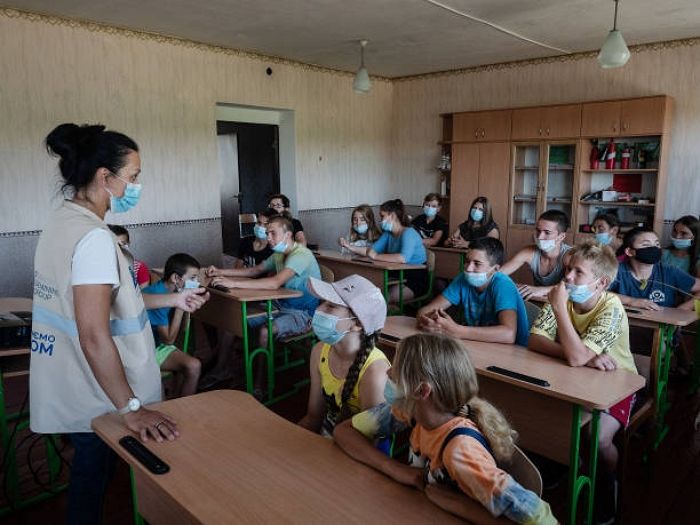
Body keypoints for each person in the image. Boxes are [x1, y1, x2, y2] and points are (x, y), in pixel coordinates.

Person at [30, 123, 208, 525]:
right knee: (94, 482)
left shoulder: (62, 222)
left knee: (91, 479)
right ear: (104, 177)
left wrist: (175, 298)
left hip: (76, 380)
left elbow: (110, 303)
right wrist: (131, 407)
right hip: (100, 391)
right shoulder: (93, 238)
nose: (136, 186)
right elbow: (94, 333)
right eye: (133, 177)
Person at [334, 333, 557, 524]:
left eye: (398, 369)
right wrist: (396, 469)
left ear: (422, 391)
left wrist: (461, 506)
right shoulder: (412, 412)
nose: (389, 373)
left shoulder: (460, 451)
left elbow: (542, 519)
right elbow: (344, 432)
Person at [528, 240, 638, 523]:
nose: (567, 277)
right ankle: (557, 467)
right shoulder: (563, 297)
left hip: (618, 386)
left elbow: (576, 357)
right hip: (574, 378)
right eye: (567, 269)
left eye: (578, 272)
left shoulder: (610, 306)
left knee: (596, 437)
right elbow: (536, 341)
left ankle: (607, 484)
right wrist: (583, 356)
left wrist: (561, 312)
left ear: (601, 283)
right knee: (541, 416)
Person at [207, 215, 321, 347]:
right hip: (279, 305)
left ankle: (261, 367)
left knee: (265, 331)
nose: (268, 238)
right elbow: (254, 270)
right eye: (267, 233)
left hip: (303, 313)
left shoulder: (301, 254)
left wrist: (233, 283)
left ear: (288, 234)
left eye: (273, 233)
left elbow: (274, 283)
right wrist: (220, 271)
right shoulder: (279, 254)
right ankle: (222, 366)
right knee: (234, 322)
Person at [299, 275, 389, 436]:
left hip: (359, 451)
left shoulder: (375, 372)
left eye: (331, 306)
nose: (318, 310)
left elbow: (370, 440)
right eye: (322, 304)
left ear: (358, 323)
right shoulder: (320, 351)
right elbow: (313, 417)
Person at [417, 238, 529, 346]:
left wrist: (457, 330)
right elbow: (424, 311)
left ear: (495, 269)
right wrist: (431, 321)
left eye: (477, 264)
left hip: (514, 351)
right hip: (479, 344)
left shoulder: (503, 284)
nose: (468, 268)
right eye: (467, 261)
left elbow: (508, 334)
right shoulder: (463, 279)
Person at [144, 253, 203, 397]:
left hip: (155, 343)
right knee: (193, 366)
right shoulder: (160, 298)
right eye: (193, 277)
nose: (197, 281)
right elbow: (168, 340)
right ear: (176, 278)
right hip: (147, 349)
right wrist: (180, 307)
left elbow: (184, 329)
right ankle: (183, 409)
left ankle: (176, 400)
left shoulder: (163, 288)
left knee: (185, 360)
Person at [609, 227, 700, 310]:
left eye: (657, 244)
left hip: (660, 326)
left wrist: (681, 310)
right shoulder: (617, 270)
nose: (653, 248)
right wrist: (631, 301)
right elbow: (597, 292)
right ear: (629, 251)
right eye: (646, 245)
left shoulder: (669, 272)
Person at [360, 199, 428, 303]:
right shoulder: (388, 233)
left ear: (392, 216)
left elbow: (403, 258)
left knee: (384, 297)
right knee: (369, 291)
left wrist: (376, 256)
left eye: (382, 216)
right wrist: (373, 254)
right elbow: (371, 250)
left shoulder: (408, 233)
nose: (380, 220)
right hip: (395, 273)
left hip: (415, 278)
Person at [500, 210, 571, 300]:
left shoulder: (569, 256)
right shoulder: (528, 252)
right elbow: (499, 274)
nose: (540, 236)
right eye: (538, 231)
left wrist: (541, 290)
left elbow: (573, 286)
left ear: (561, 237)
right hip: (540, 301)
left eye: (547, 232)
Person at [107, 224, 151, 288]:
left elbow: (143, 295)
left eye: (122, 244)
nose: (119, 249)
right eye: (115, 244)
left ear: (128, 244)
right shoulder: (103, 268)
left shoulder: (139, 268)